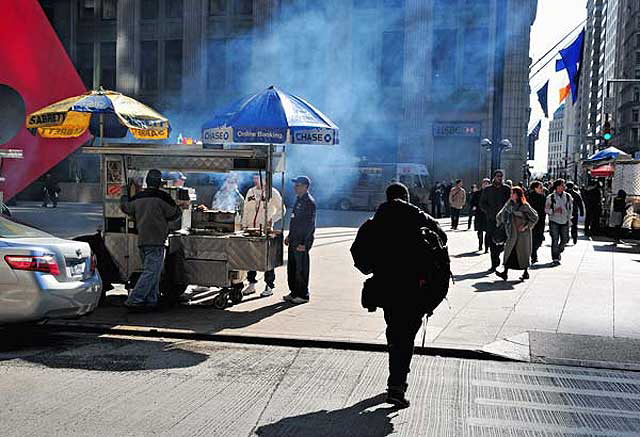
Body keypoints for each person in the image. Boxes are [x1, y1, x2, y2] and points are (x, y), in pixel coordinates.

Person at [368, 182, 447, 408]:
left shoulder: (377, 220)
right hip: (415, 288)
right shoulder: (418, 217)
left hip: (386, 287)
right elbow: (443, 238)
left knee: (394, 332)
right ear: (406, 197)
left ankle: (397, 375)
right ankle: (397, 385)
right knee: (406, 336)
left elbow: (361, 253)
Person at [120, 169, 186, 311]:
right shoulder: (162, 197)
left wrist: (124, 194)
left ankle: (151, 300)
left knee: (153, 273)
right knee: (151, 272)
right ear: (159, 182)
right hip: (157, 241)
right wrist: (181, 207)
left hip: (142, 240)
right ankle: (134, 300)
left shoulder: (138, 197)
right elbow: (174, 215)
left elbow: (125, 207)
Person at [241, 174, 285, 297]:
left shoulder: (273, 192)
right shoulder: (250, 191)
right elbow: (246, 209)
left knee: (267, 258)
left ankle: (269, 285)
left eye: (258, 178)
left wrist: (272, 219)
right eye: (254, 178)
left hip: (265, 230)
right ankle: (251, 284)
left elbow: (282, 209)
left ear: (266, 179)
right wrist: (244, 225)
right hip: (250, 229)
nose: (255, 180)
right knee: (251, 257)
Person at [283, 176, 317, 305]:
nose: (295, 187)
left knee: (301, 269)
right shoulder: (299, 200)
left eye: (298, 185)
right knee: (292, 268)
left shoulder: (309, 202)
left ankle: (303, 294)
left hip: (301, 242)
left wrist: (305, 244)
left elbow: (310, 225)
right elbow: (295, 221)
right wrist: (289, 236)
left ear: (305, 187)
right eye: (295, 185)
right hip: (294, 240)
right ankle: (294, 292)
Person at [495, 187, 539, 281]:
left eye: (513, 193)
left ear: (518, 195)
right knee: (509, 252)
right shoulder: (508, 205)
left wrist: (525, 226)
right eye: (511, 193)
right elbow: (500, 215)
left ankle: (525, 272)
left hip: (522, 235)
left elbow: (535, 217)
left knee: (523, 253)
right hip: (511, 234)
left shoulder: (524, 205)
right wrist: (501, 222)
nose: (511, 195)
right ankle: (505, 272)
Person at [480, 170, 511, 271]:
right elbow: (482, 203)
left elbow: (510, 202)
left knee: (504, 241)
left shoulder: (506, 189)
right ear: (494, 177)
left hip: (503, 220)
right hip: (491, 219)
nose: (500, 178)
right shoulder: (488, 190)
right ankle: (494, 263)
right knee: (492, 241)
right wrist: (489, 211)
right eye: (498, 176)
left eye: (501, 176)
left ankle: (498, 253)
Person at [545, 178, 573, 265]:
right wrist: (553, 211)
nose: (564, 186)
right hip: (554, 220)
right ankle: (555, 258)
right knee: (555, 239)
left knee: (565, 239)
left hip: (564, 220)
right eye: (562, 185)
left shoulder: (568, 196)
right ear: (557, 187)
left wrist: (569, 219)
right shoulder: (551, 197)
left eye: (564, 185)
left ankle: (559, 250)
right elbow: (546, 209)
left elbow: (570, 209)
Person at [527, 181, 546, 264]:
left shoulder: (543, 196)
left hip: (541, 220)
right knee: (533, 238)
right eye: (540, 187)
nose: (542, 189)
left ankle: (533, 251)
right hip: (532, 220)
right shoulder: (529, 196)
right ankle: (533, 255)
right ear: (535, 188)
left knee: (539, 239)